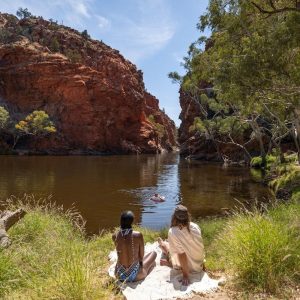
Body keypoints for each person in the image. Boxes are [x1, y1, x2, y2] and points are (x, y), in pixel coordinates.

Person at [158, 205, 205, 286]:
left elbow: (181, 254)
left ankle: (161, 243)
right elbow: (199, 246)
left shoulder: (172, 231)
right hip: (198, 265)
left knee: (164, 246)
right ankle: (163, 243)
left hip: (188, 268)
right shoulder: (195, 226)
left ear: (174, 217)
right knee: (171, 245)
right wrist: (202, 265)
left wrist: (185, 275)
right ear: (187, 216)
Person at [112, 211, 157, 282]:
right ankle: (141, 271)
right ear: (132, 222)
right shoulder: (138, 235)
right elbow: (141, 256)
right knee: (153, 253)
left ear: (121, 221)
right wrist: (141, 266)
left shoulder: (115, 236)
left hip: (119, 274)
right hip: (136, 275)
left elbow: (120, 252)